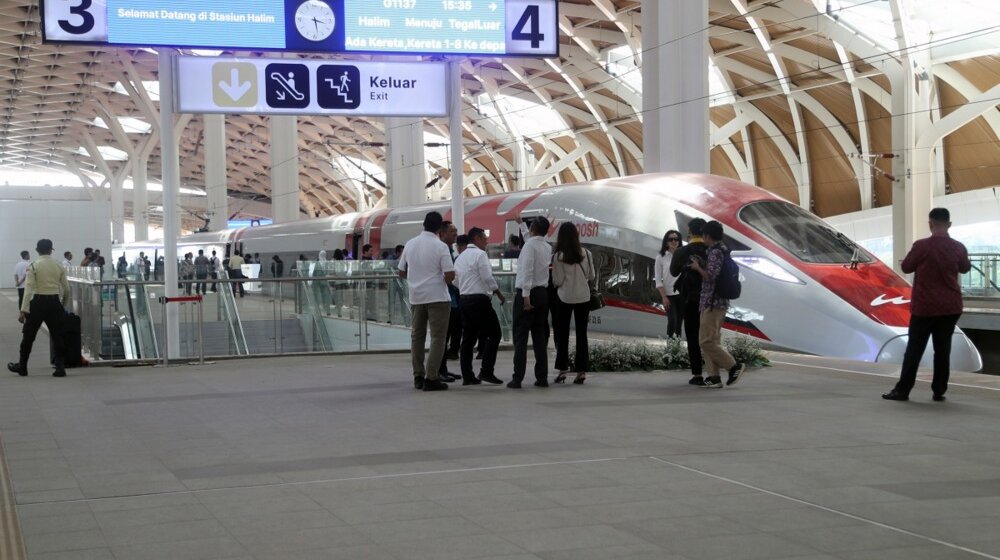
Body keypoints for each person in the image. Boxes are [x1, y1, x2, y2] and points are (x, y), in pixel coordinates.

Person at [883, 208, 972, 402]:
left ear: (930, 224)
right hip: (950, 307)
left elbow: (906, 267)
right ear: (949, 224)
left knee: (914, 349)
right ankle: (939, 390)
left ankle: (902, 390)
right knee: (943, 350)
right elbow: (965, 268)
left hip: (925, 307)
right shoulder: (958, 247)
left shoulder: (921, 246)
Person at [397, 211, 455, 392]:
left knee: (417, 336)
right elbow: (450, 275)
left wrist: (415, 281)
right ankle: (432, 377)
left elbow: (401, 271)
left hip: (416, 297)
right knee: (438, 337)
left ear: (424, 224)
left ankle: (418, 376)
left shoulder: (410, 244)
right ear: (439, 228)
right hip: (437, 297)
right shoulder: (440, 247)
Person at [689, 220, 745, 389]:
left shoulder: (715, 252)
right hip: (716, 302)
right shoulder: (723, 250)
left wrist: (697, 267)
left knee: (706, 342)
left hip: (713, 303)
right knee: (710, 340)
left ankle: (733, 366)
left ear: (707, 235)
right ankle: (714, 377)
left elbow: (710, 277)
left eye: (703, 235)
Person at [8, 239, 70, 378]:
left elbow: (28, 290)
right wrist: (62, 305)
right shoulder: (58, 265)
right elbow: (66, 289)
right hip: (54, 303)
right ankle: (60, 368)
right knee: (58, 335)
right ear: (50, 250)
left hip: (38, 303)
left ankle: (22, 366)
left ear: (37, 250)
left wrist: (23, 310)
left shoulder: (34, 266)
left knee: (28, 336)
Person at [454, 227, 506, 385]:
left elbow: (455, 281)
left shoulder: (460, 257)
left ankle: (467, 375)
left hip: (464, 299)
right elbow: (487, 276)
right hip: (479, 300)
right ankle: (486, 371)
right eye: (484, 238)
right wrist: (498, 292)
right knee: (495, 333)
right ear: (476, 238)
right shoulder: (480, 254)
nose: (487, 241)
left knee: (468, 338)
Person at [510, 216, 552, 389]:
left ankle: (517, 378)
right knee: (539, 338)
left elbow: (527, 270)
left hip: (528, 295)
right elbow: (530, 241)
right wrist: (521, 224)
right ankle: (542, 377)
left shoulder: (529, 247)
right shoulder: (546, 246)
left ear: (533, 228)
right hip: (542, 294)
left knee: (520, 338)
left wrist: (526, 296)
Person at [551, 222, 595, 385]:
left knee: (563, 334)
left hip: (564, 298)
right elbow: (591, 276)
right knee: (581, 334)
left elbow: (558, 280)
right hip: (583, 298)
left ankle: (563, 371)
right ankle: (581, 372)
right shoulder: (587, 254)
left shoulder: (558, 256)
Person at [670, 218, 709, 386]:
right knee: (709, 337)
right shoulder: (711, 250)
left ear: (690, 232)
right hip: (710, 298)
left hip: (690, 299)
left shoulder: (682, 252)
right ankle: (714, 373)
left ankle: (697, 374)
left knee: (693, 336)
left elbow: (673, 272)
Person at [439, 221, 462, 365]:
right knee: (444, 334)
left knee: (451, 330)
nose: (455, 234)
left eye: (456, 231)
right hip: (446, 297)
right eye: (452, 231)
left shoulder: (450, 250)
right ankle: (440, 369)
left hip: (452, 297)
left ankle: (443, 369)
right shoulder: (442, 250)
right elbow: (447, 275)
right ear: (442, 233)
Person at [656, 230, 684, 338]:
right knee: (672, 320)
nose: (674, 241)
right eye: (671, 239)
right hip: (668, 295)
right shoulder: (660, 257)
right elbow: (658, 280)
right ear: (666, 242)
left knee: (679, 324)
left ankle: (675, 351)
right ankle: (670, 349)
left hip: (682, 294)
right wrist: (664, 297)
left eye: (676, 239)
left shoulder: (683, 256)